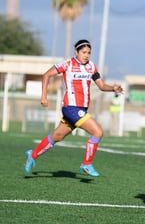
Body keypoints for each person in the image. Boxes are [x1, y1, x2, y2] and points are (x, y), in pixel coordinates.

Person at [24, 39, 123, 177]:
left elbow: (101, 86)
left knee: (56, 136)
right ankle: (86, 164)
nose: (86, 55)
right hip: (71, 108)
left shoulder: (92, 67)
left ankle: (32, 155)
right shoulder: (67, 64)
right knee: (98, 132)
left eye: (89, 52)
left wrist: (112, 88)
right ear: (76, 52)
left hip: (81, 109)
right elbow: (46, 75)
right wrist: (44, 96)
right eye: (83, 52)